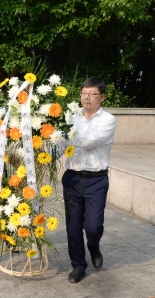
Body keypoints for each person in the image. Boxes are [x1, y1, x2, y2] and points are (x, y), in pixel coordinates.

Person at [60, 77, 116, 283]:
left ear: (101, 97)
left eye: (92, 93)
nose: (87, 97)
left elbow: (88, 141)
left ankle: (93, 245)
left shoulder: (108, 120)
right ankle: (78, 266)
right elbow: (59, 145)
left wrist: (61, 136)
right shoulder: (70, 117)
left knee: (93, 226)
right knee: (73, 226)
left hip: (96, 180)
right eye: (84, 93)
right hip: (72, 179)